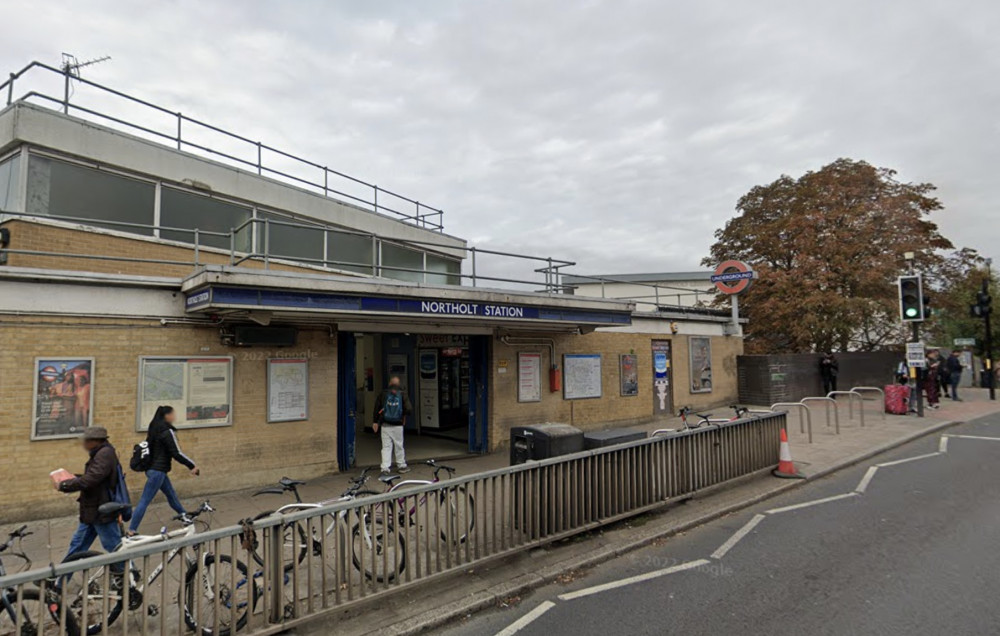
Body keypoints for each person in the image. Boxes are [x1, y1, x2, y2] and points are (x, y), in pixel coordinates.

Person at [57, 427, 124, 569]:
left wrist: (67, 485)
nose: (84, 445)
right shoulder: (100, 453)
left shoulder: (104, 454)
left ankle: (129, 576)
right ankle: (59, 582)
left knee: (114, 547)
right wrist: (75, 478)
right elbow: (93, 477)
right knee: (77, 547)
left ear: (95, 441)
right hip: (92, 510)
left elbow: (92, 479)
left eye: (86, 441)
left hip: (101, 510)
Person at [128, 406, 199, 535]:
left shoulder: (154, 427)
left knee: (170, 494)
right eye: (172, 414)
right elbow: (176, 453)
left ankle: (184, 515)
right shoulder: (167, 431)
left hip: (152, 469)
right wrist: (192, 465)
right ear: (166, 416)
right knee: (145, 500)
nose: (174, 417)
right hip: (158, 470)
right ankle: (132, 530)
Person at [373, 376, 412, 475]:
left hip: (385, 424)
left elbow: (377, 407)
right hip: (398, 425)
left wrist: (375, 422)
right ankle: (401, 465)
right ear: (399, 384)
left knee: (386, 447)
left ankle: (385, 468)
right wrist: (403, 415)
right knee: (399, 445)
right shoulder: (402, 394)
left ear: (390, 383)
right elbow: (409, 409)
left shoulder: (383, 393)